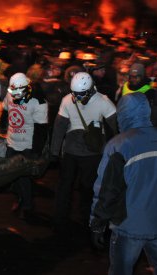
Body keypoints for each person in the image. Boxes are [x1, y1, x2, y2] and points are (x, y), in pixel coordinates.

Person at [90, 92, 157, 275]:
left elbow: (107, 190)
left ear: (122, 113)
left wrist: (97, 222)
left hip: (129, 227)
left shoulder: (120, 144)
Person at [50, 72, 117, 236]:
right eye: (75, 94)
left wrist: (54, 151)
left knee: (77, 187)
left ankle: (69, 219)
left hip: (85, 153)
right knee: (80, 188)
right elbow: (116, 127)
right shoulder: (103, 102)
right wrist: (53, 151)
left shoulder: (101, 101)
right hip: (84, 153)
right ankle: (78, 220)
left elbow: (59, 128)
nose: (78, 98)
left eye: (81, 94)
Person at [1, 72, 48, 222]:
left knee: (24, 177)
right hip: (12, 142)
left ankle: (27, 205)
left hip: (27, 145)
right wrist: (2, 128)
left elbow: (41, 130)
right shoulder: (10, 95)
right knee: (12, 176)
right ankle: (21, 198)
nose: (15, 95)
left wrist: (36, 152)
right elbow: (5, 110)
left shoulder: (37, 102)